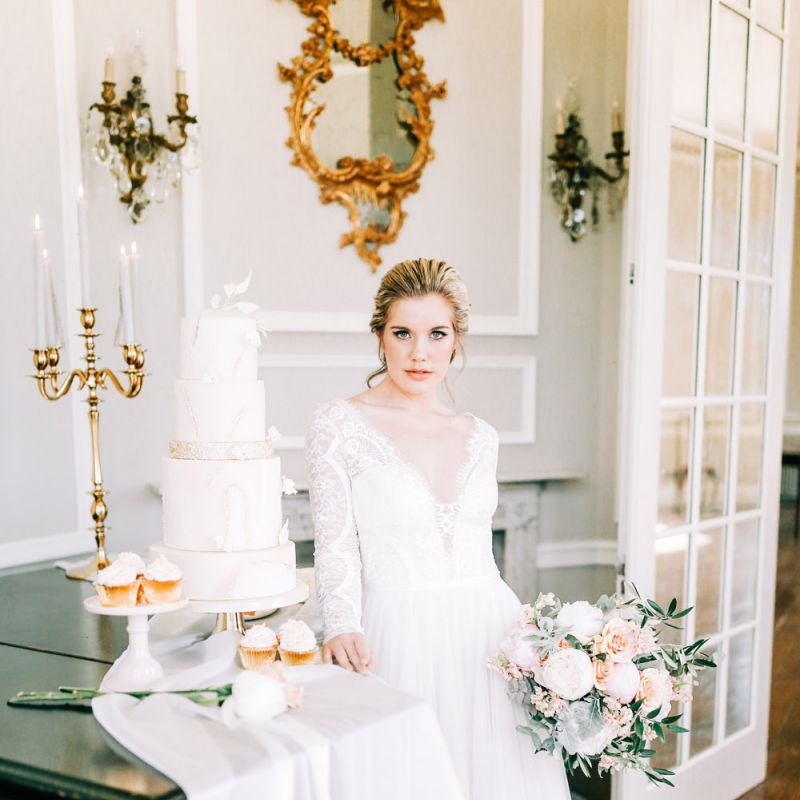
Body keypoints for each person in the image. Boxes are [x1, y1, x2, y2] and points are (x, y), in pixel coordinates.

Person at [306, 258, 569, 799]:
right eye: (403, 333)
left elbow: (479, 549)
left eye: (437, 334)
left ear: (456, 342)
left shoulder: (481, 435)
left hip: (491, 634)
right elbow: (334, 542)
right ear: (380, 337)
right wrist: (340, 623)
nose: (419, 353)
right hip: (396, 632)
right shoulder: (338, 424)